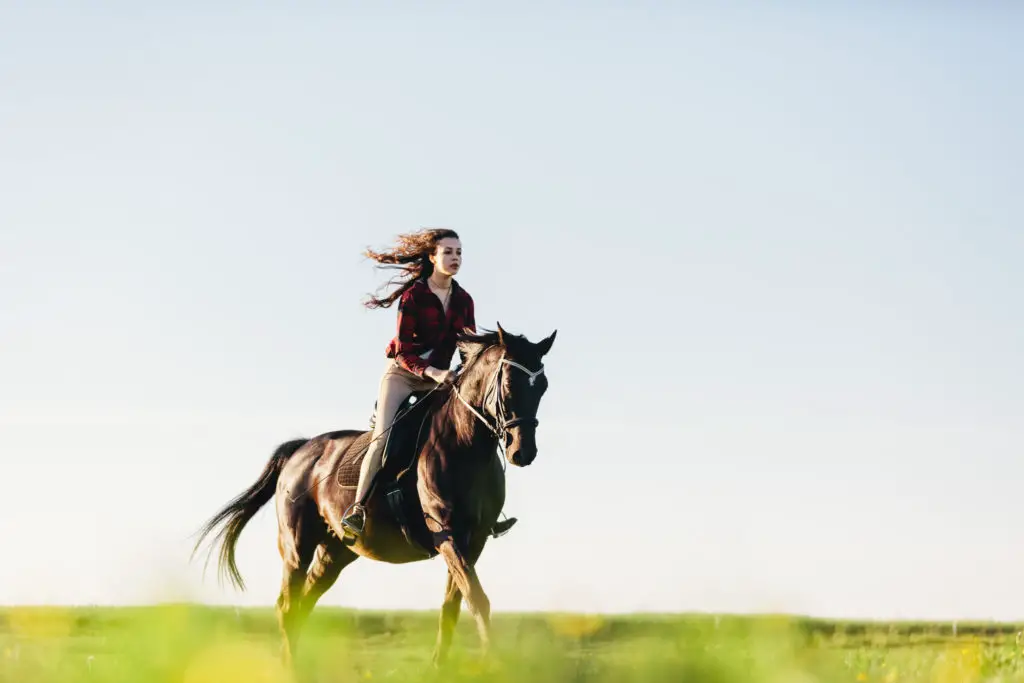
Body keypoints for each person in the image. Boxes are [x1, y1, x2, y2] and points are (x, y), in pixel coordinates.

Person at [341, 228, 517, 539]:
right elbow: (405, 351)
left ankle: (487, 509)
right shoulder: (413, 297)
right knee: (381, 440)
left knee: (468, 428)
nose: (455, 258)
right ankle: (357, 510)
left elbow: (467, 346)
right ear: (432, 257)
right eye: (448, 252)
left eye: (459, 252)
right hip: (403, 375)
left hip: (441, 379)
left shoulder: (464, 300)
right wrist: (433, 373)